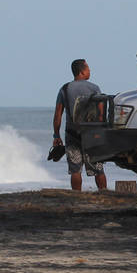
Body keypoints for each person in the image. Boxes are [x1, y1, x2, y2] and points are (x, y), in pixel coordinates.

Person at [52, 59, 108, 192]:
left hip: (72, 133)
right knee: (98, 169)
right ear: (82, 71)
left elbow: (58, 115)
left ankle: (77, 196)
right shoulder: (94, 88)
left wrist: (56, 135)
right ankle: (104, 193)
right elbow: (101, 113)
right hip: (92, 134)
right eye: (88, 68)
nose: (90, 71)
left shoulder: (64, 89)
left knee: (75, 169)